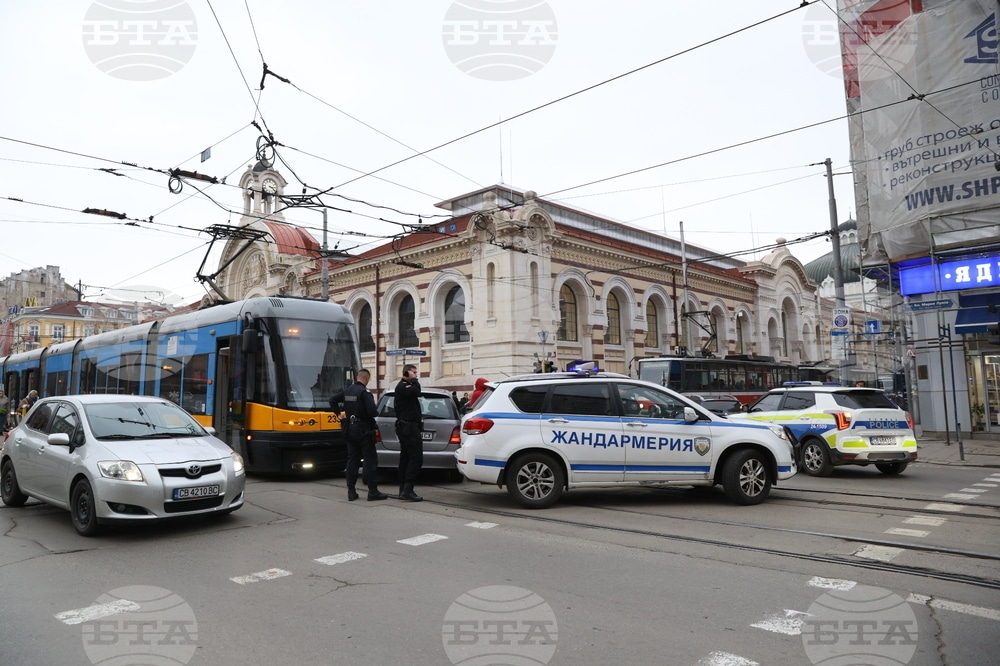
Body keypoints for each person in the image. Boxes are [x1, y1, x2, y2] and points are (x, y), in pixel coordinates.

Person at [329, 369, 388, 502]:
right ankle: (373, 492)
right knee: (370, 461)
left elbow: (332, 400)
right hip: (364, 431)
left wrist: (339, 414)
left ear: (357, 377)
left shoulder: (348, 390)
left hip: (350, 429)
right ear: (367, 379)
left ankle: (351, 491)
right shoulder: (364, 392)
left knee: (352, 461)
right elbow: (373, 412)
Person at [392, 363, 423, 501]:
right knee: (416, 458)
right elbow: (417, 392)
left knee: (405, 458)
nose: (416, 375)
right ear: (407, 373)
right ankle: (407, 489)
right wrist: (414, 380)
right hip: (408, 427)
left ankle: (403, 489)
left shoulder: (406, 386)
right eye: (414, 372)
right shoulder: (403, 386)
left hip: (408, 427)